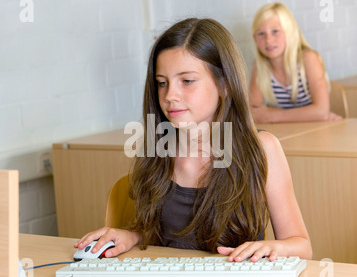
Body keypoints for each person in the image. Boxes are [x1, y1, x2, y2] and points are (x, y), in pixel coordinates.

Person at [74, 18, 312, 262]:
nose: (170, 96)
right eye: (162, 83)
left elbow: (301, 246)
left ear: (225, 84)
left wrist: (276, 249)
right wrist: (133, 235)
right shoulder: (159, 147)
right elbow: (159, 234)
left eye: (187, 81)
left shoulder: (262, 149)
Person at [250, 2, 341, 123]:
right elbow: (253, 112)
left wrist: (271, 115)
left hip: (318, 130)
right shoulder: (260, 66)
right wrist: (309, 114)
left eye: (275, 31)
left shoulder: (308, 59)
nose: (268, 40)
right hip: (290, 132)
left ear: (290, 32)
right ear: (255, 38)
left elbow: (321, 112)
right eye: (261, 34)